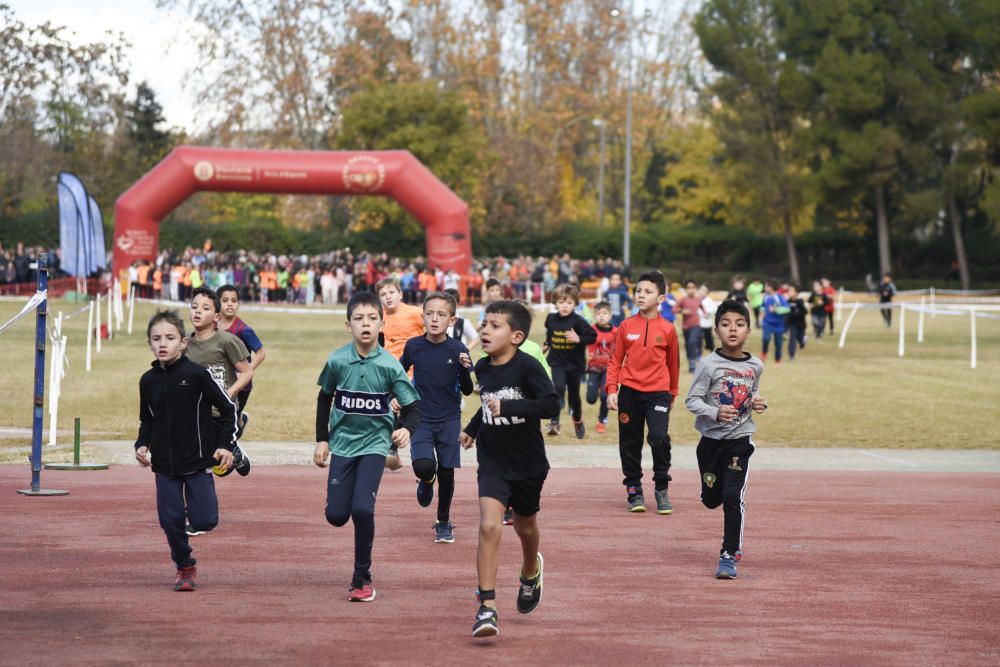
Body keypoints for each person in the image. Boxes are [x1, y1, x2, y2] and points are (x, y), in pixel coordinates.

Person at [459, 300, 560, 638]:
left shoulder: (528, 367)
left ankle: (531, 569)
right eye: (484, 324)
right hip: (492, 461)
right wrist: (473, 427)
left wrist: (511, 406)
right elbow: (488, 401)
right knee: (489, 526)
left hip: (528, 463)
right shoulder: (483, 367)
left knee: (525, 526)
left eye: (494, 326)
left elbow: (550, 404)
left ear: (516, 336)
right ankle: (486, 606)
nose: (485, 330)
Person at [313, 291, 421, 602]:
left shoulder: (389, 365)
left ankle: (362, 576)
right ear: (348, 324)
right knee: (336, 515)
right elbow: (324, 397)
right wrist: (322, 439)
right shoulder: (336, 360)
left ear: (381, 324)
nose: (366, 324)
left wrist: (406, 431)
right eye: (359, 318)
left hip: (375, 445)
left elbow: (413, 407)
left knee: (362, 508)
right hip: (343, 444)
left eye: (372, 318)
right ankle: (338, 499)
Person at [135, 310, 238, 591]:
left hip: (196, 461)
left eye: (170, 338)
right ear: (150, 344)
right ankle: (184, 565)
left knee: (206, 519)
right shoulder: (148, 381)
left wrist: (225, 445)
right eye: (156, 339)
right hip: (164, 465)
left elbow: (228, 410)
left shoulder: (197, 374)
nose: (163, 344)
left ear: (183, 343)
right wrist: (141, 444)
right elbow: (148, 419)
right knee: (170, 520)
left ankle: (190, 523)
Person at [684, 299, 767, 579]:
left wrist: (756, 402)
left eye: (740, 324)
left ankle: (729, 553)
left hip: (740, 441)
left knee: (733, 496)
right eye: (726, 324)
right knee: (711, 499)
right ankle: (711, 491)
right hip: (710, 442)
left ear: (748, 330)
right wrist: (715, 412)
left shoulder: (755, 364)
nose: (733, 329)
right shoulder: (708, 365)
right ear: (717, 330)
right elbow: (692, 400)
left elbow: (752, 390)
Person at [400, 292, 475, 543]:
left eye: (441, 315)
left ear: (452, 320)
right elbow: (398, 375)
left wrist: (465, 369)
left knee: (447, 472)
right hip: (420, 416)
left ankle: (443, 521)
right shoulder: (414, 346)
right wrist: (395, 396)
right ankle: (426, 479)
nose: (434, 319)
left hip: (449, 418)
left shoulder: (458, 348)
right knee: (423, 466)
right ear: (422, 316)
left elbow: (466, 389)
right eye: (429, 313)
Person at [606, 271, 680, 514]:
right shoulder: (626, 326)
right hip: (629, 392)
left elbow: (673, 364)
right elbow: (615, 360)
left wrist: (672, 393)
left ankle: (661, 487)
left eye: (647, 292)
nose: (641, 295)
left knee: (659, 437)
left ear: (661, 298)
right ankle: (634, 490)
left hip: (658, 393)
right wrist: (612, 389)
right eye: (638, 291)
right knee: (629, 442)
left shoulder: (668, 329)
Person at [185, 287, 253, 489]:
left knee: (218, 465)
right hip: (196, 414)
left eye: (205, 308)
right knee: (195, 462)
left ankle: (233, 449)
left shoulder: (227, 341)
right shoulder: (185, 344)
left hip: (220, 413)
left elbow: (247, 372)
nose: (197, 311)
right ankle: (194, 508)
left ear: (216, 316)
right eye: (194, 307)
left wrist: (229, 393)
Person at [376, 276, 426, 470]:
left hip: (414, 371)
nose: (388, 297)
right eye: (383, 294)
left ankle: (400, 450)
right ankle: (392, 451)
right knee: (389, 410)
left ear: (400, 294)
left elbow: (434, 324)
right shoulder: (381, 317)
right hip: (390, 372)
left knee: (403, 409)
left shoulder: (414, 313)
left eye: (391, 292)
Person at [543, 284, 597, 438]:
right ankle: (554, 422)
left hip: (574, 364)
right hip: (557, 361)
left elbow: (593, 337)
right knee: (557, 387)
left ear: (575, 303)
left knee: (574, 398)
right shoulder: (551, 319)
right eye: (561, 302)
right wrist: (547, 344)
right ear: (555, 303)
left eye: (569, 303)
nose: (565, 306)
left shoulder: (579, 321)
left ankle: (578, 420)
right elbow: (550, 334)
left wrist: (579, 338)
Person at [217, 284, 266, 438]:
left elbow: (261, 353)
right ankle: (240, 419)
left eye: (233, 300)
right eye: (225, 300)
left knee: (228, 421)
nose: (230, 304)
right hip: (220, 379)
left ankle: (234, 452)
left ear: (238, 304)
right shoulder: (212, 326)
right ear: (217, 303)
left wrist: (246, 372)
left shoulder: (243, 330)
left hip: (241, 385)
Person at [586, 301, 616, 434]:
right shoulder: (590, 330)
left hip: (608, 369)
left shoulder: (616, 332)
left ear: (610, 316)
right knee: (591, 399)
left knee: (605, 397)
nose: (601, 316)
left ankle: (601, 420)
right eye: (598, 314)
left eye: (605, 313)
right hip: (593, 368)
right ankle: (596, 390)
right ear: (594, 316)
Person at [677, 279, 704, 373]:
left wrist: (705, 313)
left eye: (693, 287)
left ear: (695, 289)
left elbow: (702, 306)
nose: (691, 289)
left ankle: (693, 361)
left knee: (692, 341)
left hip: (696, 325)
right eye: (689, 288)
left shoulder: (698, 300)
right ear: (685, 289)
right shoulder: (683, 300)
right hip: (686, 327)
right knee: (688, 345)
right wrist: (682, 311)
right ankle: (691, 362)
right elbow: (674, 309)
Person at [444, 287, 480, 354]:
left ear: (457, 304)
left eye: (450, 303)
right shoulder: (438, 320)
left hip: (458, 360)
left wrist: (466, 349)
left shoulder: (463, 322)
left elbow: (476, 338)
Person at [760, 280, 789, 363]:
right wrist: (762, 311)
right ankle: (764, 353)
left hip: (779, 324)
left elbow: (787, 309)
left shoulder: (780, 297)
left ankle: (777, 359)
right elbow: (762, 306)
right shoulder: (766, 297)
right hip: (767, 323)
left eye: (766, 286)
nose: (765, 288)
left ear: (771, 287)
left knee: (778, 344)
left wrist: (776, 310)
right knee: (766, 339)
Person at [785, 284, 807, 361]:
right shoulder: (788, 301)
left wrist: (797, 313)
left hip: (800, 324)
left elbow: (805, 311)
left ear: (796, 293)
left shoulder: (800, 301)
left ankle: (803, 341)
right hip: (792, 324)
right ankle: (791, 356)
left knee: (800, 338)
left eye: (791, 291)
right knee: (792, 338)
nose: (789, 292)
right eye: (789, 290)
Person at [698, 284, 718, 353]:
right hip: (698, 323)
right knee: (698, 338)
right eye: (701, 290)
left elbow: (714, 309)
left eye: (704, 291)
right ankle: (698, 351)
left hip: (707, 324)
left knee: (709, 338)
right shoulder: (696, 299)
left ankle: (711, 349)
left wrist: (707, 312)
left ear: (707, 292)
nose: (702, 292)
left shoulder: (709, 300)